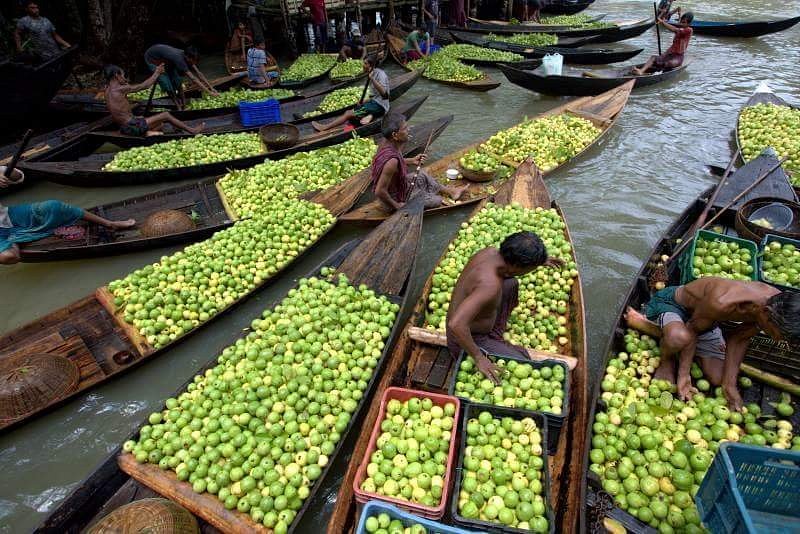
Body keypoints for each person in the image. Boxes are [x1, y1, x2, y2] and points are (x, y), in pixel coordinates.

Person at [625, 278, 800, 411]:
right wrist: (683, 375)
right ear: (766, 313)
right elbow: (692, 330)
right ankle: (666, 356)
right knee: (680, 337)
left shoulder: (777, 303)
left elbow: (739, 338)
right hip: (674, 306)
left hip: (707, 321)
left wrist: (729, 384)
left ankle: (665, 334)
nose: (778, 340)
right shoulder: (723, 302)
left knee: (717, 378)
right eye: (779, 334)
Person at [447, 231, 565, 383]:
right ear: (516, 266)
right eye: (531, 268)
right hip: (467, 339)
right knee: (524, 363)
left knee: (511, 284)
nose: (532, 270)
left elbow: (512, 266)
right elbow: (456, 324)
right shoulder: (490, 285)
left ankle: (495, 337)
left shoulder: (490, 252)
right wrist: (478, 358)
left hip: (478, 322)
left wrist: (539, 261)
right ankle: (489, 344)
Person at [0, 167, 136, 265]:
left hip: (7, 216)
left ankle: (109, 224)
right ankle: (15, 239)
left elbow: (18, 176)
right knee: (8, 257)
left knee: (53, 206)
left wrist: (6, 173)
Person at [370, 113, 467, 212]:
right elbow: (379, 191)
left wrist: (412, 160)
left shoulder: (386, 143)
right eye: (405, 128)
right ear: (395, 135)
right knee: (437, 201)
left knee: (422, 175)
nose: (409, 129)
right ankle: (424, 195)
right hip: (395, 199)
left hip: (400, 186)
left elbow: (394, 162)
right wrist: (397, 206)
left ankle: (451, 191)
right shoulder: (391, 161)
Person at [104, 64, 204, 137]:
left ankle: (150, 132)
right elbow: (144, 85)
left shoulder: (107, 91)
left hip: (125, 127)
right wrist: (157, 73)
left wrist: (136, 117)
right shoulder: (120, 89)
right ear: (117, 75)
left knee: (160, 124)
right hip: (132, 127)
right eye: (123, 75)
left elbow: (121, 110)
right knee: (165, 115)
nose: (125, 78)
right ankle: (192, 130)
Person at [311, 56, 390, 131]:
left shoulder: (380, 75)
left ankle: (324, 127)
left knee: (348, 113)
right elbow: (374, 95)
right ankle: (357, 124)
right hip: (374, 102)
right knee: (353, 116)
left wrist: (372, 79)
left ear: (370, 65)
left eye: (365, 63)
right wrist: (363, 101)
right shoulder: (372, 73)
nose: (363, 65)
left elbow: (385, 95)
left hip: (380, 105)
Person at [144, 44, 219, 110]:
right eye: (193, 60)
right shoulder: (179, 60)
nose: (195, 63)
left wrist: (211, 88)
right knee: (167, 84)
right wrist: (210, 93)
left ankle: (184, 104)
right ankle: (178, 106)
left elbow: (199, 73)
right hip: (153, 59)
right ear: (187, 57)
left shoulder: (187, 56)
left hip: (167, 60)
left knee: (178, 81)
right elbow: (193, 78)